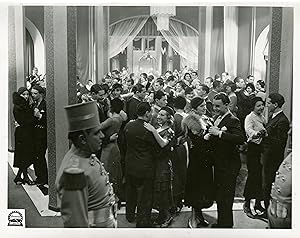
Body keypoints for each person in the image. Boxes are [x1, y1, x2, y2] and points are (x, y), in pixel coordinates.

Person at [55, 101, 117, 227]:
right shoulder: (73, 171)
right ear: (82, 139)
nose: (102, 135)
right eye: (96, 133)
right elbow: (76, 225)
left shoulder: (87, 153)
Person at [209, 93, 245, 228]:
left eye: (218, 106)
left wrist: (220, 133)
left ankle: (226, 224)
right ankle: (222, 222)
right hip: (220, 163)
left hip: (229, 164)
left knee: (226, 196)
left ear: (226, 105)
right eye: (214, 105)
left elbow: (240, 138)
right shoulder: (218, 118)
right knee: (220, 195)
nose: (215, 108)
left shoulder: (233, 119)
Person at [124, 102, 158, 227]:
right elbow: (156, 148)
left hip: (130, 164)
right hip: (145, 166)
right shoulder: (148, 129)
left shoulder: (128, 126)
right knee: (145, 196)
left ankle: (130, 215)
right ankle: (143, 222)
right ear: (147, 113)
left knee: (131, 192)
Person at [182, 97, 214, 228]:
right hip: (197, 160)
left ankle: (199, 216)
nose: (204, 107)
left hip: (205, 159)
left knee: (202, 189)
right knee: (196, 189)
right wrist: (206, 138)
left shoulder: (204, 119)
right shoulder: (191, 121)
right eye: (202, 106)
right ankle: (193, 218)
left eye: (205, 105)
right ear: (195, 108)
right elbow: (194, 142)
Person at [144, 106, 176, 228]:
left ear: (168, 118)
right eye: (159, 114)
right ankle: (162, 216)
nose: (158, 116)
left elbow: (163, 143)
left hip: (163, 165)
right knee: (158, 192)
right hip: (156, 164)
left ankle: (167, 216)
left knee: (163, 192)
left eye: (162, 115)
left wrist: (153, 131)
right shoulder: (158, 128)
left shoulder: (169, 131)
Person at [261, 93, 290, 217]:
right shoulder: (274, 117)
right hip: (268, 156)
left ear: (275, 104)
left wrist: (266, 135)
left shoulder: (282, 120)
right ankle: (267, 210)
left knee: (269, 184)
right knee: (266, 184)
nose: (266, 105)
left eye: (268, 103)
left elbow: (280, 142)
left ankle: (269, 213)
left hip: (273, 158)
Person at [243, 97, 267, 218]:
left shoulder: (263, 117)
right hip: (253, 149)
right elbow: (248, 130)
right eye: (258, 106)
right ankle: (247, 204)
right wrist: (257, 133)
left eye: (262, 105)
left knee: (260, 177)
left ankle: (258, 203)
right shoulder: (249, 117)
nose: (261, 108)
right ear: (253, 107)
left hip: (261, 149)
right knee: (253, 176)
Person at [99, 98, 127, 201]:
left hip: (108, 148)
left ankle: (108, 196)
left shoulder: (111, 120)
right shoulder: (119, 118)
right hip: (115, 147)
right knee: (115, 172)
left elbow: (98, 127)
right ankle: (116, 195)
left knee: (106, 172)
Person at [12, 87, 35, 185]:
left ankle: (19, 177)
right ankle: (24, 177)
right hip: (22, 133)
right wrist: (34, 117)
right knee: (25, 155)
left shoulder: (24, 105)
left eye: (27, 94)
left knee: (25, 155)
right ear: (19, 95)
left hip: (26, 132)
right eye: (23, 94)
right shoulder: (18, 106)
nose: (26, 96)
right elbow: (24, 121)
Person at [31, 85, 48, 186]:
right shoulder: (34, 104)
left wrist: (40, 116)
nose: (33, 95)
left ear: (41, 94)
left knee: (40, 156)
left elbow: (48, 120)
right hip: (35, 134)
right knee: (36, 156)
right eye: (32, 93)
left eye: (35, 93)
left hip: (42, 135)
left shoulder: (45, 104)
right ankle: (39, 177)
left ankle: (43, 178)